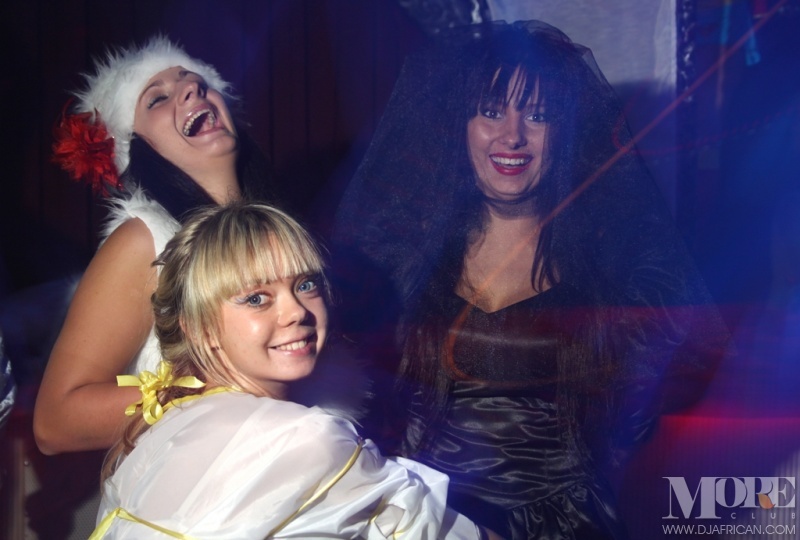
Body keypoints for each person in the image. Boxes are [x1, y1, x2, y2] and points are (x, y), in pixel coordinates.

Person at [333, 20, 729, 539]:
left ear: (564, 134)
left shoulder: (612, 269)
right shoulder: (405, 258)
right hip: (423, 518)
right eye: (491, 111)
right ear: (461, 125)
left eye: (538, 116)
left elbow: (651, 403)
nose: (512, 135)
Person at [91, 202, 492, 539]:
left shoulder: (165, 421)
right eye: (256, 298)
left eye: (305, 285)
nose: (296, 312)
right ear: (198, 328)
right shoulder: (306, 439)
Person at [33, 36, 275, 454]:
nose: (192, 88)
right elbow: (55, 421)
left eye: (196, 81)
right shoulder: (145, 242)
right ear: (135, 147)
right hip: (211, 483)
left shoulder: (280, 232)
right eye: (157, 98)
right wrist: (214, 391)